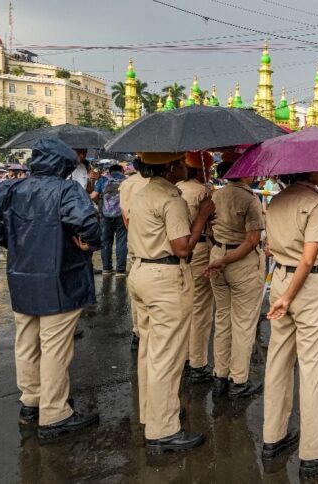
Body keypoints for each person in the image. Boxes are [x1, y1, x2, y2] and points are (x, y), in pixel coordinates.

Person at [0, 138, 101, 438]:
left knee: (27, 341)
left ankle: (32, 400)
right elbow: (87, 223)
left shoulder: (10, 187)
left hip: (22, 275)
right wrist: (86, 243)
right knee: (55, 347)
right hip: (60, 277)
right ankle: (54, 413)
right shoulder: (67, 190)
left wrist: (9, 238)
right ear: (63, 165)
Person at [262, 170, 318, 478]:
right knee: (312, 369)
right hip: (307, 286)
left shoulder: (275, 201)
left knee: (278, 362)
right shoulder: (313, 203)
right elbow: (309, 257)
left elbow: (271, 248)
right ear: (307, 169)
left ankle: (273, 436)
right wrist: (289, 296)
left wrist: (283, 295)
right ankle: (313, 452)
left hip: (280, 278)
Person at [127, 152, 213, 453]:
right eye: (180, 164)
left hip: (140, 271)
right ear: (170, 166)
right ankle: (163, 429)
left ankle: (152, 413)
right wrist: (202, 215)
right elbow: (182, 247)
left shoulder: (141, 192)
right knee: (167, 356)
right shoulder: (170, 198)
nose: (183, 168)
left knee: (150, 351)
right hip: (164, 278)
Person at [204, 161, 266, 398]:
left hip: (217, 256)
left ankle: (220, 375)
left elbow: (209, 230)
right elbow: (251, 241)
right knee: (243, 324)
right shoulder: (249, 199)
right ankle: (238, 380)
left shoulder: (214, 196)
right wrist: (227, 260)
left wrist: (220, 258)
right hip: (241, 263)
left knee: (222, 318)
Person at [176, 152, 215, 383]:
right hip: (198, 249)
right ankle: (197, 362)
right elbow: (212, 222)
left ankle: (183, 356)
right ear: (200, 171)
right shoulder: (203, 192)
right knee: (201, 308)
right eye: (207, 171)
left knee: (184, 306)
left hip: (176, 253)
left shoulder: (176, 188)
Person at [119, 162, 151, 350]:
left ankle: (137, 330)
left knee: (136, 287)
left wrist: (133, 233)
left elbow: (126, 215)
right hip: (155, 244)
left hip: (134, 239)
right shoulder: (159, 185)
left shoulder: (128, 184)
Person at [92, 164, 128, 276]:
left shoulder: (103, 180)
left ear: (110, 171)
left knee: (106, 241)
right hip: (121, 214)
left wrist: (99, 204)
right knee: (121, 241)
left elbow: (93, 196)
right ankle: (120, 270)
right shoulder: (126, 181)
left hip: (105, 215)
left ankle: (107, 269)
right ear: (122, 170)